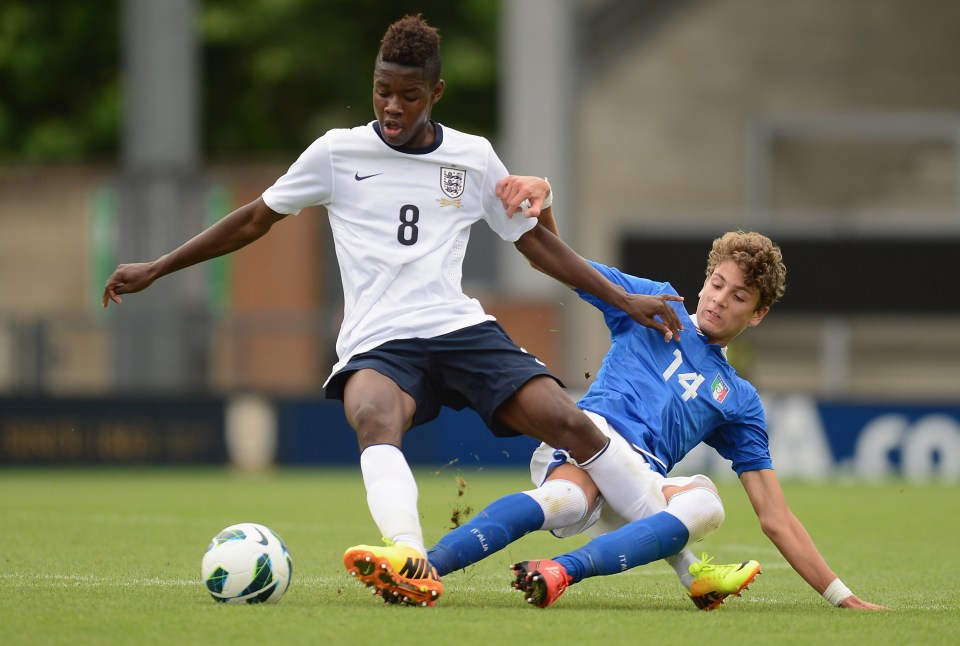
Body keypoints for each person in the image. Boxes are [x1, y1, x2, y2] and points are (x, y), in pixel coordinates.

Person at [100, 15, 686, 608]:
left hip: (459, 329)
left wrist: (622, 298)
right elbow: (255, 217)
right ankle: (409, 557)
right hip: (378, 341)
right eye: (383, 91)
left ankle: (691, 568)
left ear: (435, 93)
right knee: (374, 418)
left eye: (408, 95)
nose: (392, 107)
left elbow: (537, 246)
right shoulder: (336, 152)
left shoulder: (473, 157)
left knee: (572, 424)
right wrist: (159, 266)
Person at [426, 200, 886, 611]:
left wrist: (841, 596)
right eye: (717, 283)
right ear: (706, 279)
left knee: (702, 504)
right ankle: (427, 567)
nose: (719, 300)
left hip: (634, 487)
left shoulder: (739, 400)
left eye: (739, 297)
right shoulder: (654, 301)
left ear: (758, 314)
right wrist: (543, 203)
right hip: (582, 438)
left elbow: (775, 516)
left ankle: (558, 571)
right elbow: (559, 263)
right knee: (564, 499)